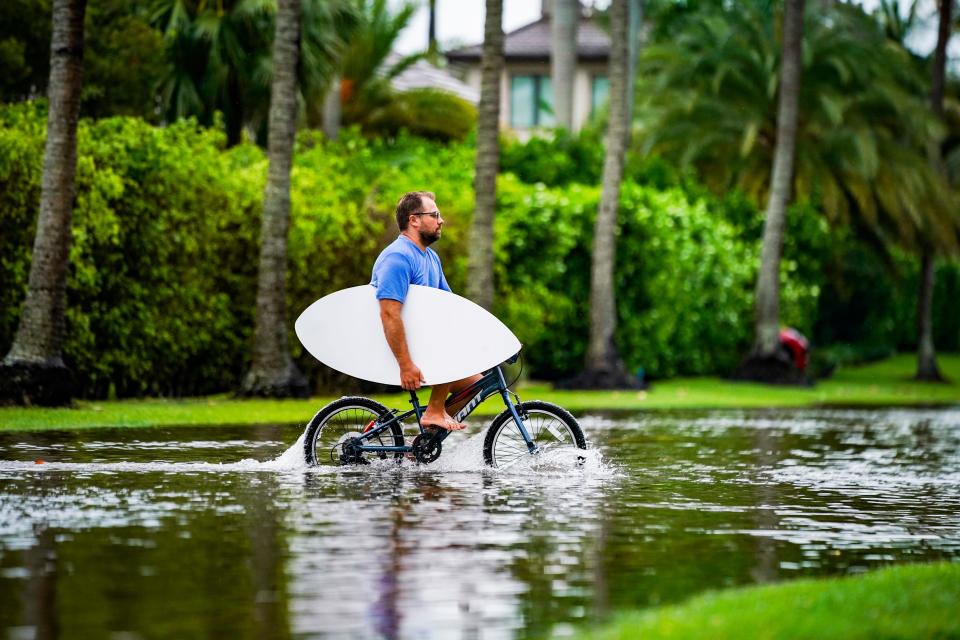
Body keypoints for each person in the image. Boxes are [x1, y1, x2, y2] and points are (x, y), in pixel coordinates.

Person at [370, 191, 481, 431]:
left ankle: (423, 443)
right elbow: (388, 313)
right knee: (450, 348)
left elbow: (449, 307)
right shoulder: (398, 257)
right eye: (435, 215)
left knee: (477, 387)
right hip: (403, 346)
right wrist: (405, 365)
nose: (441, 221)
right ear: (414, 220)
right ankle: (433, 412)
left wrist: (490, 339)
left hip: (424, 342)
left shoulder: (431, 258)